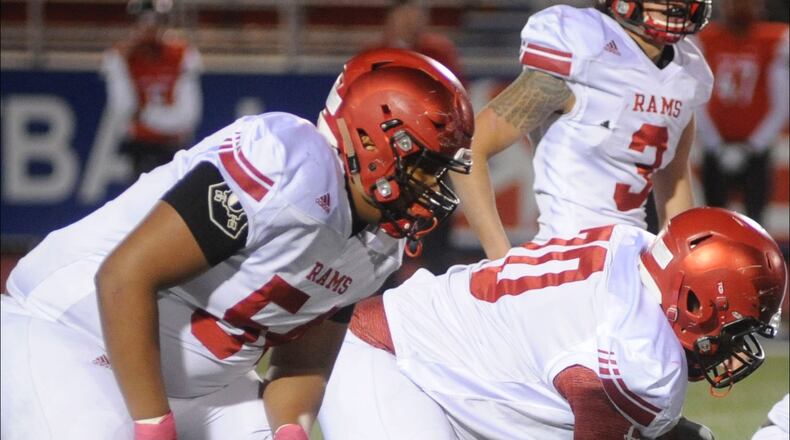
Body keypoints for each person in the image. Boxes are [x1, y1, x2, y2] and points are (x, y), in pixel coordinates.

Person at [0, 48, 473, 440]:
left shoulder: (381, 249)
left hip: (204, 389)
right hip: (71, 329)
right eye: (425, 164)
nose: (433, 184)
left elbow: (302, 365)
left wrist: (291, 430)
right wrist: (153, 425)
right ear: (373, 141)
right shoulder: (287, 164)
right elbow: (125, 276)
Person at [318, 207, 787, 439]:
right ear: (694, 302)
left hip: (430, 360)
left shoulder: (633, 245)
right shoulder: (645, 360)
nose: (736, 348)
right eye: (737, 329)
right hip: (391, 364)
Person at [452, 0, 714, 260]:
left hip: (629, 259)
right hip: (563, 257)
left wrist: (681, 267)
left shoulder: (685, 74)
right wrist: (500, 257)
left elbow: (675, 187)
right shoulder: (585, 49)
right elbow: (470, 147)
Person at [695, 0, 789, 225]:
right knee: (714, 220)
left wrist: (753, 146)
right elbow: (696, 97)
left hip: (755, 149)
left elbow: (782, 102)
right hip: (716, 146)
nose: (740, 8)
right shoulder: (705, 40)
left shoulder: (775, 40)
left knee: (756, 221)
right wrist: (715, 144)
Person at [103, 0, 203, 179]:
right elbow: (124, 107)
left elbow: (188, 116)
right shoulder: (119, 57)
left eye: (155, 20)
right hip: (141, 148)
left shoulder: (182, 53)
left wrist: (146, 116)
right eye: (142, 21)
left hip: (174, 148)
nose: (149, 27)